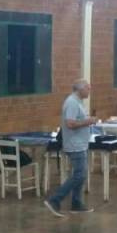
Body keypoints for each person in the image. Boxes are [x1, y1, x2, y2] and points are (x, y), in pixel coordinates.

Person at [45, 79, 97, 218]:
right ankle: (55, 200)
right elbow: (70, 123)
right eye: (88, 88)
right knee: (79, 175)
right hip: (75, 144)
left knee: (80, 174)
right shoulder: (72, 102)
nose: (89, 91)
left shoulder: (78, 102)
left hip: (81, 143)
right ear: (80, 89)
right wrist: (88, 121)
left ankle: (76, 203)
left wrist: (87, 120)